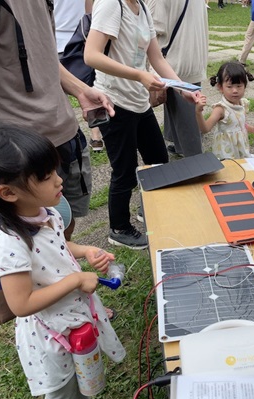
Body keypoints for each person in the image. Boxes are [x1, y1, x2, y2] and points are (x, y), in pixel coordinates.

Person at [0, 124, 126, 399]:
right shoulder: (9, 242)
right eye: (45, 176)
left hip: (75, 318)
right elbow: (21, 304)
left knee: (85, 375)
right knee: (60, 394)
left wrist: (85, 252)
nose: (58, 179)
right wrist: (75, 279)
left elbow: (58, 247)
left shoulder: (47, 214)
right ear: (8, 192)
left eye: (54, 170)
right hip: (50, 335)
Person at [0, 0, 114, 241]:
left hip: (64, 130)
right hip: (16, 150)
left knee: (64, 227)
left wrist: (80, 89)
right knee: (24, 244)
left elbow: (42, 50)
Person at [84, 0, 199, 249]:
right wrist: (139, 75)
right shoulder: (112, 5)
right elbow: (90, 55)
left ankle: (148, 208)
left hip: (139, 100)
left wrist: (182, 88)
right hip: (114, 102)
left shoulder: (143, 7)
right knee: (125, 172)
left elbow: (156, 58)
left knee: (158, 159)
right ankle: (119, 228)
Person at [144, 0, 209, 158]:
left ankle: (195, 163)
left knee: (186, 121)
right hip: (192, 56)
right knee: (176, 106)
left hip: (174, 61)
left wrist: (149, 69)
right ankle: (178, 145)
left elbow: (150, 29)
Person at [54, 0, 104, 153]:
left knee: (64, 93)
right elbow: (89, 10)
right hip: (77, 38)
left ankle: (87, 134)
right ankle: (95, 135)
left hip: (65, 39)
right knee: (88, 86)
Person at [195, 61, 254, 160]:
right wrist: (198, 112)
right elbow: (205, 129)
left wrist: (251, 129)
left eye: (239, 86)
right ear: (220, 87)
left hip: (241, 148)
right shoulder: (221, 109)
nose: (235, 90)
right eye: (229, 86)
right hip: (226, 151)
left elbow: (240, 123)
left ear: (245, 86)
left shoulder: (242, 103)